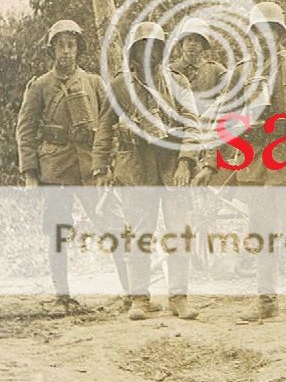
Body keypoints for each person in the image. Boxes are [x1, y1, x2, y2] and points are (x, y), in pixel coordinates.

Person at [193, 2, 286, 326]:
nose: (264, 38)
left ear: (280, 35)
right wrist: (210, 162)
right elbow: (223, 121)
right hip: (255, 167)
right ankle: (266, 300)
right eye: (258, 32)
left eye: (272, 32)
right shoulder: (241, 73)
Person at [16, 19, 128, 314]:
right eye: (60, 45)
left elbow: (109, 124)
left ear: (78, 48)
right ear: (52, 49)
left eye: (71, 45)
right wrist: (30, 174)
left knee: (112, 224)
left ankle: (132, 292)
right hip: (54, 167)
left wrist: (109, 163)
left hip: (91, 164)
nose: (66, 51)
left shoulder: (93, 82)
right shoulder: (40, 86)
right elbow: (25, 131)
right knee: (57, 229)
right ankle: (61, 295)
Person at [92, 21, 200, 321]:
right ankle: (139, 298)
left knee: (179, 231)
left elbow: (193, 122)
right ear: (133, 54)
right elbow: (104, 128)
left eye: (154, 49)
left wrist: (185, 162)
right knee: (139, 235)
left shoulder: (177, 83)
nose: (148, 55)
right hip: (136, 169)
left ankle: (179, 297)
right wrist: (100, 168)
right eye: (142, 49)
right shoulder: (119, 86)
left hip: (171, 168)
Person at [168, 17, 227, 116]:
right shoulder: (170, 70)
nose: (192, 44)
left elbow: (230, 91)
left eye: (197, 41)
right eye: (189, 39)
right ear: (182, 43)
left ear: (203, 46)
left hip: (207, 125)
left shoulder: (215, 69)